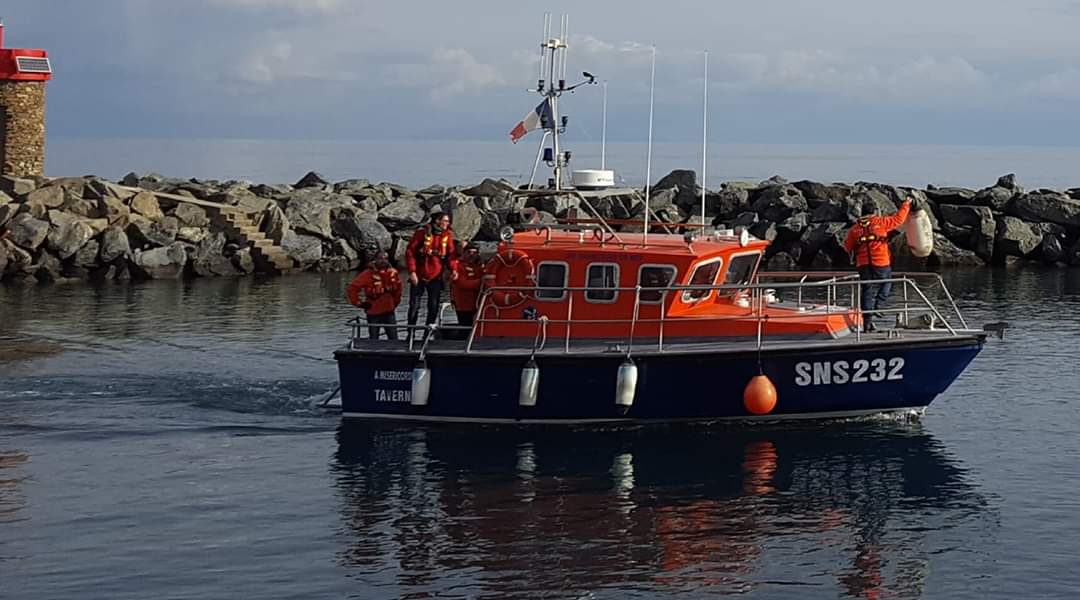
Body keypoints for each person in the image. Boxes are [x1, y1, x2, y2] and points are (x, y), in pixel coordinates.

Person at [843, 197, 913, 331]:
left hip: (863, 264)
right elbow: (899, 219)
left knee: (866, 291)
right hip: (880, 261)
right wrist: (906, 204)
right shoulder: (881, 222)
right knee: (886, 283)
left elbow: (847, 247)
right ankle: (878, 306)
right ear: (874, 213)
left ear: (862, 213)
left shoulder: (854, 229)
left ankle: (867, 324)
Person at [405, 212, 459, 335]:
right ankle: (411, 333)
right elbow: (410, 252)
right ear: (437, 221)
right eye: (445, 221)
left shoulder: (447, 235)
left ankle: (427, 333)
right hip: (419, 275)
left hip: (436, 275)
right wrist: (412, 272)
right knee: (414, 306)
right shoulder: (422, 234)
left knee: (433, 306)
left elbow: (451, 255)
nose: (447, 224)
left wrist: (454, 269)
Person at [346, 250, 403, 340]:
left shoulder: (393, 273)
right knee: (373, 339)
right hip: (373, 311)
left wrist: (395, 303)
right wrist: (359, 303)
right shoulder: (367, 274)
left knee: (394, 339)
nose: (383, 261)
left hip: (389, 311)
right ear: (375, 259)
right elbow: (352, 288)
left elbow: (398, 291)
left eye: (385, 259)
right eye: (380, 258)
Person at [450, 242, 484, 337]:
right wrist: (481, 282)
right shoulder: (458, 266)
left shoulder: (480, 267)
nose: (471, 255)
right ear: (464, 253)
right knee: (465, 327)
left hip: (477, 303)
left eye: (474, 252)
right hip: (463, 303)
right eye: (469, 252)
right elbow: (462, 283)